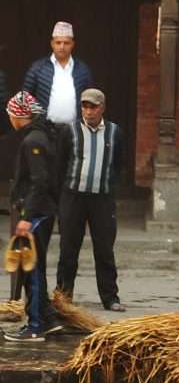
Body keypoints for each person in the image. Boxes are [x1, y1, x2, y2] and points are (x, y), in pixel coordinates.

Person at [55, 88, 126, 312]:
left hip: (102, 199)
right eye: (85, 106)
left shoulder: (115, 132)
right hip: (73, 197)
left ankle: (110, 297)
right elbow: (60, 163)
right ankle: (63, 296)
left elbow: (119, 165)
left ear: (102, 108)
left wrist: (109, 186)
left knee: (104, 249)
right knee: (68, 249)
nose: (88, 111)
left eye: (93, 106)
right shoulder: (70, 131)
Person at [4, 92, 62, 342]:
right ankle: (48, 318)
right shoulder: (40, 135)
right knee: (32, 267)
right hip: (41, 211)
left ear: (18, 115)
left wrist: (27, 216)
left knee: (32, 269)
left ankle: (36, 325)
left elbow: (40, 182)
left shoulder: (33, 141)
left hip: (37, 213)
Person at [23, 21, 94, 126]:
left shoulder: (82, 70)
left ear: (72, 44)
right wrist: (37, 118)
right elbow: (25, 97)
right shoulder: (38, 68)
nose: (62, 46)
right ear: (52, 44)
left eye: (66, 43)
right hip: (43, 128)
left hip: (74, 128)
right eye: (58, 42)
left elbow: (90, 100)